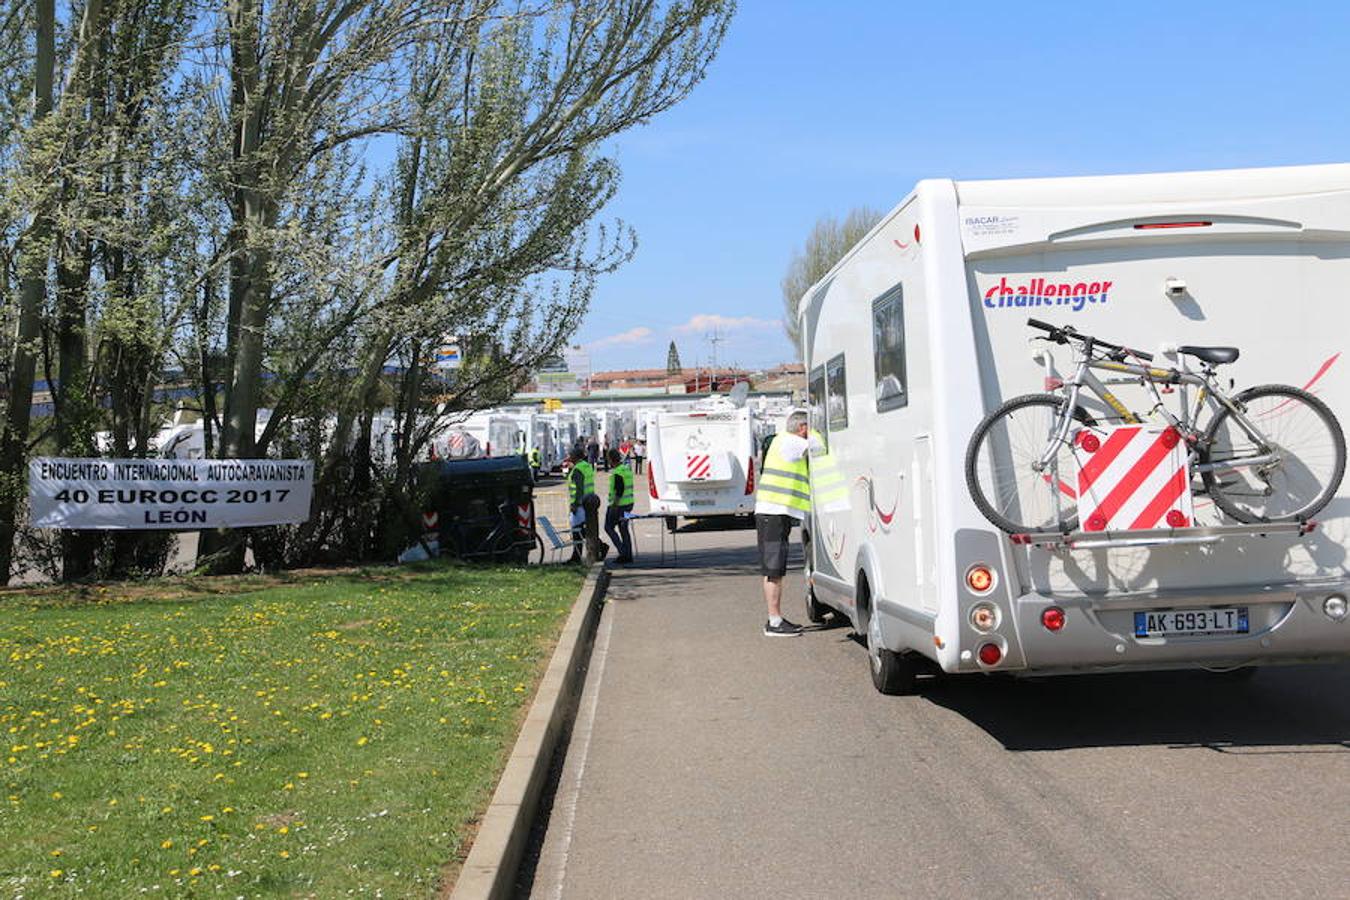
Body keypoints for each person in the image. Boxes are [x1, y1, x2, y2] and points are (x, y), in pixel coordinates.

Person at [753, 410, 820, 637]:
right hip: (773, 513)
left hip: (773, 512)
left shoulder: (783, 440)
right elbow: (821, 448)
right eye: (808, 428)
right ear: (802, 428)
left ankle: (775, 619)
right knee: (774, 569)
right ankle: (774, 622)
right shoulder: (792, 442)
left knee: (774, 569)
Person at [567, 445, 606, 563]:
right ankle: (596, 547)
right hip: (588, 503)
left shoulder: (578, 469)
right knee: (584, 530)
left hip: (579, 505)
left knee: (577, 531)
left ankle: (577, 556)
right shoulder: (587, 466)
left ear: (575, 457)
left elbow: (579, 488)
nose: (569, 457)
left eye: (570, 455)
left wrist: (574, 504)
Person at [604, 448, 635, 563]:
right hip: (629, 505)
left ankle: (623, 552)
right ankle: (628, 554)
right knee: (624, 529)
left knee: (608, 527)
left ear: (611, 460)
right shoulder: (626, 469)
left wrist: (614, 506)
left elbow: (619, 491)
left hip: (619, 506)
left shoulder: (617, 472)